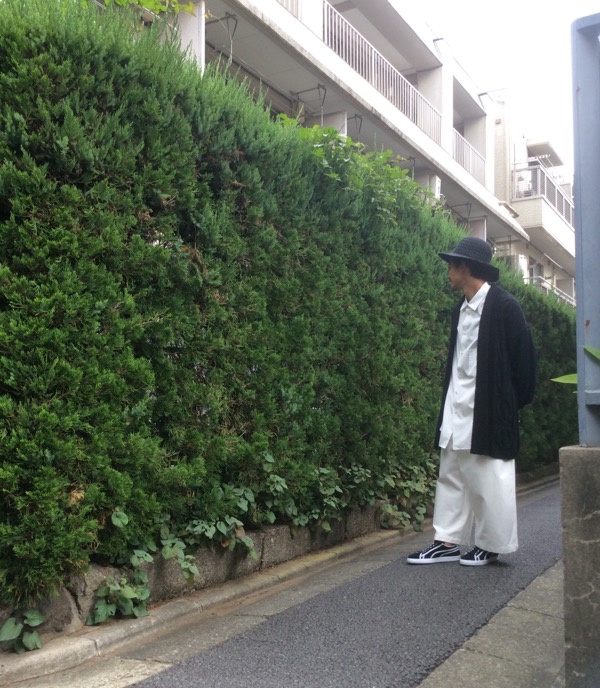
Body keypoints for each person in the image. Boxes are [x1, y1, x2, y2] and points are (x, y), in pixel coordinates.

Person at [407, 236, 536, 566]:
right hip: (457, 402)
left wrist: (507, 404)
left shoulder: (504, 307)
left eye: (451, 266)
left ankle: (490, 544)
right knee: (451, 470)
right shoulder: (461, 310)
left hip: (489, 409)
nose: (448, 273)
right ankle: (447, 542)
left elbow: (525, 364)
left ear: (464, 268)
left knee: (489, 476)